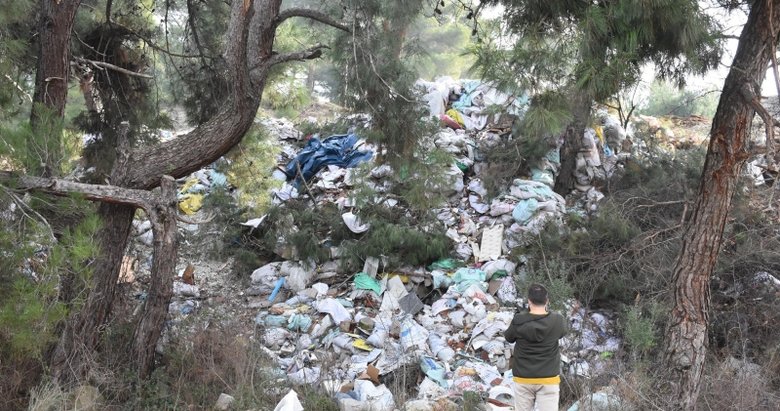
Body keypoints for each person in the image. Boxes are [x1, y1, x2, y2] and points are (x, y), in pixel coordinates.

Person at [504, 284, 568, 411]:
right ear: (547, 301)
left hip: (523, 378)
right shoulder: (558, 320)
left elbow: (508, 338)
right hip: (549, 379)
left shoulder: (518, 320)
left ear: (529, 301)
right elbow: (562, 333)